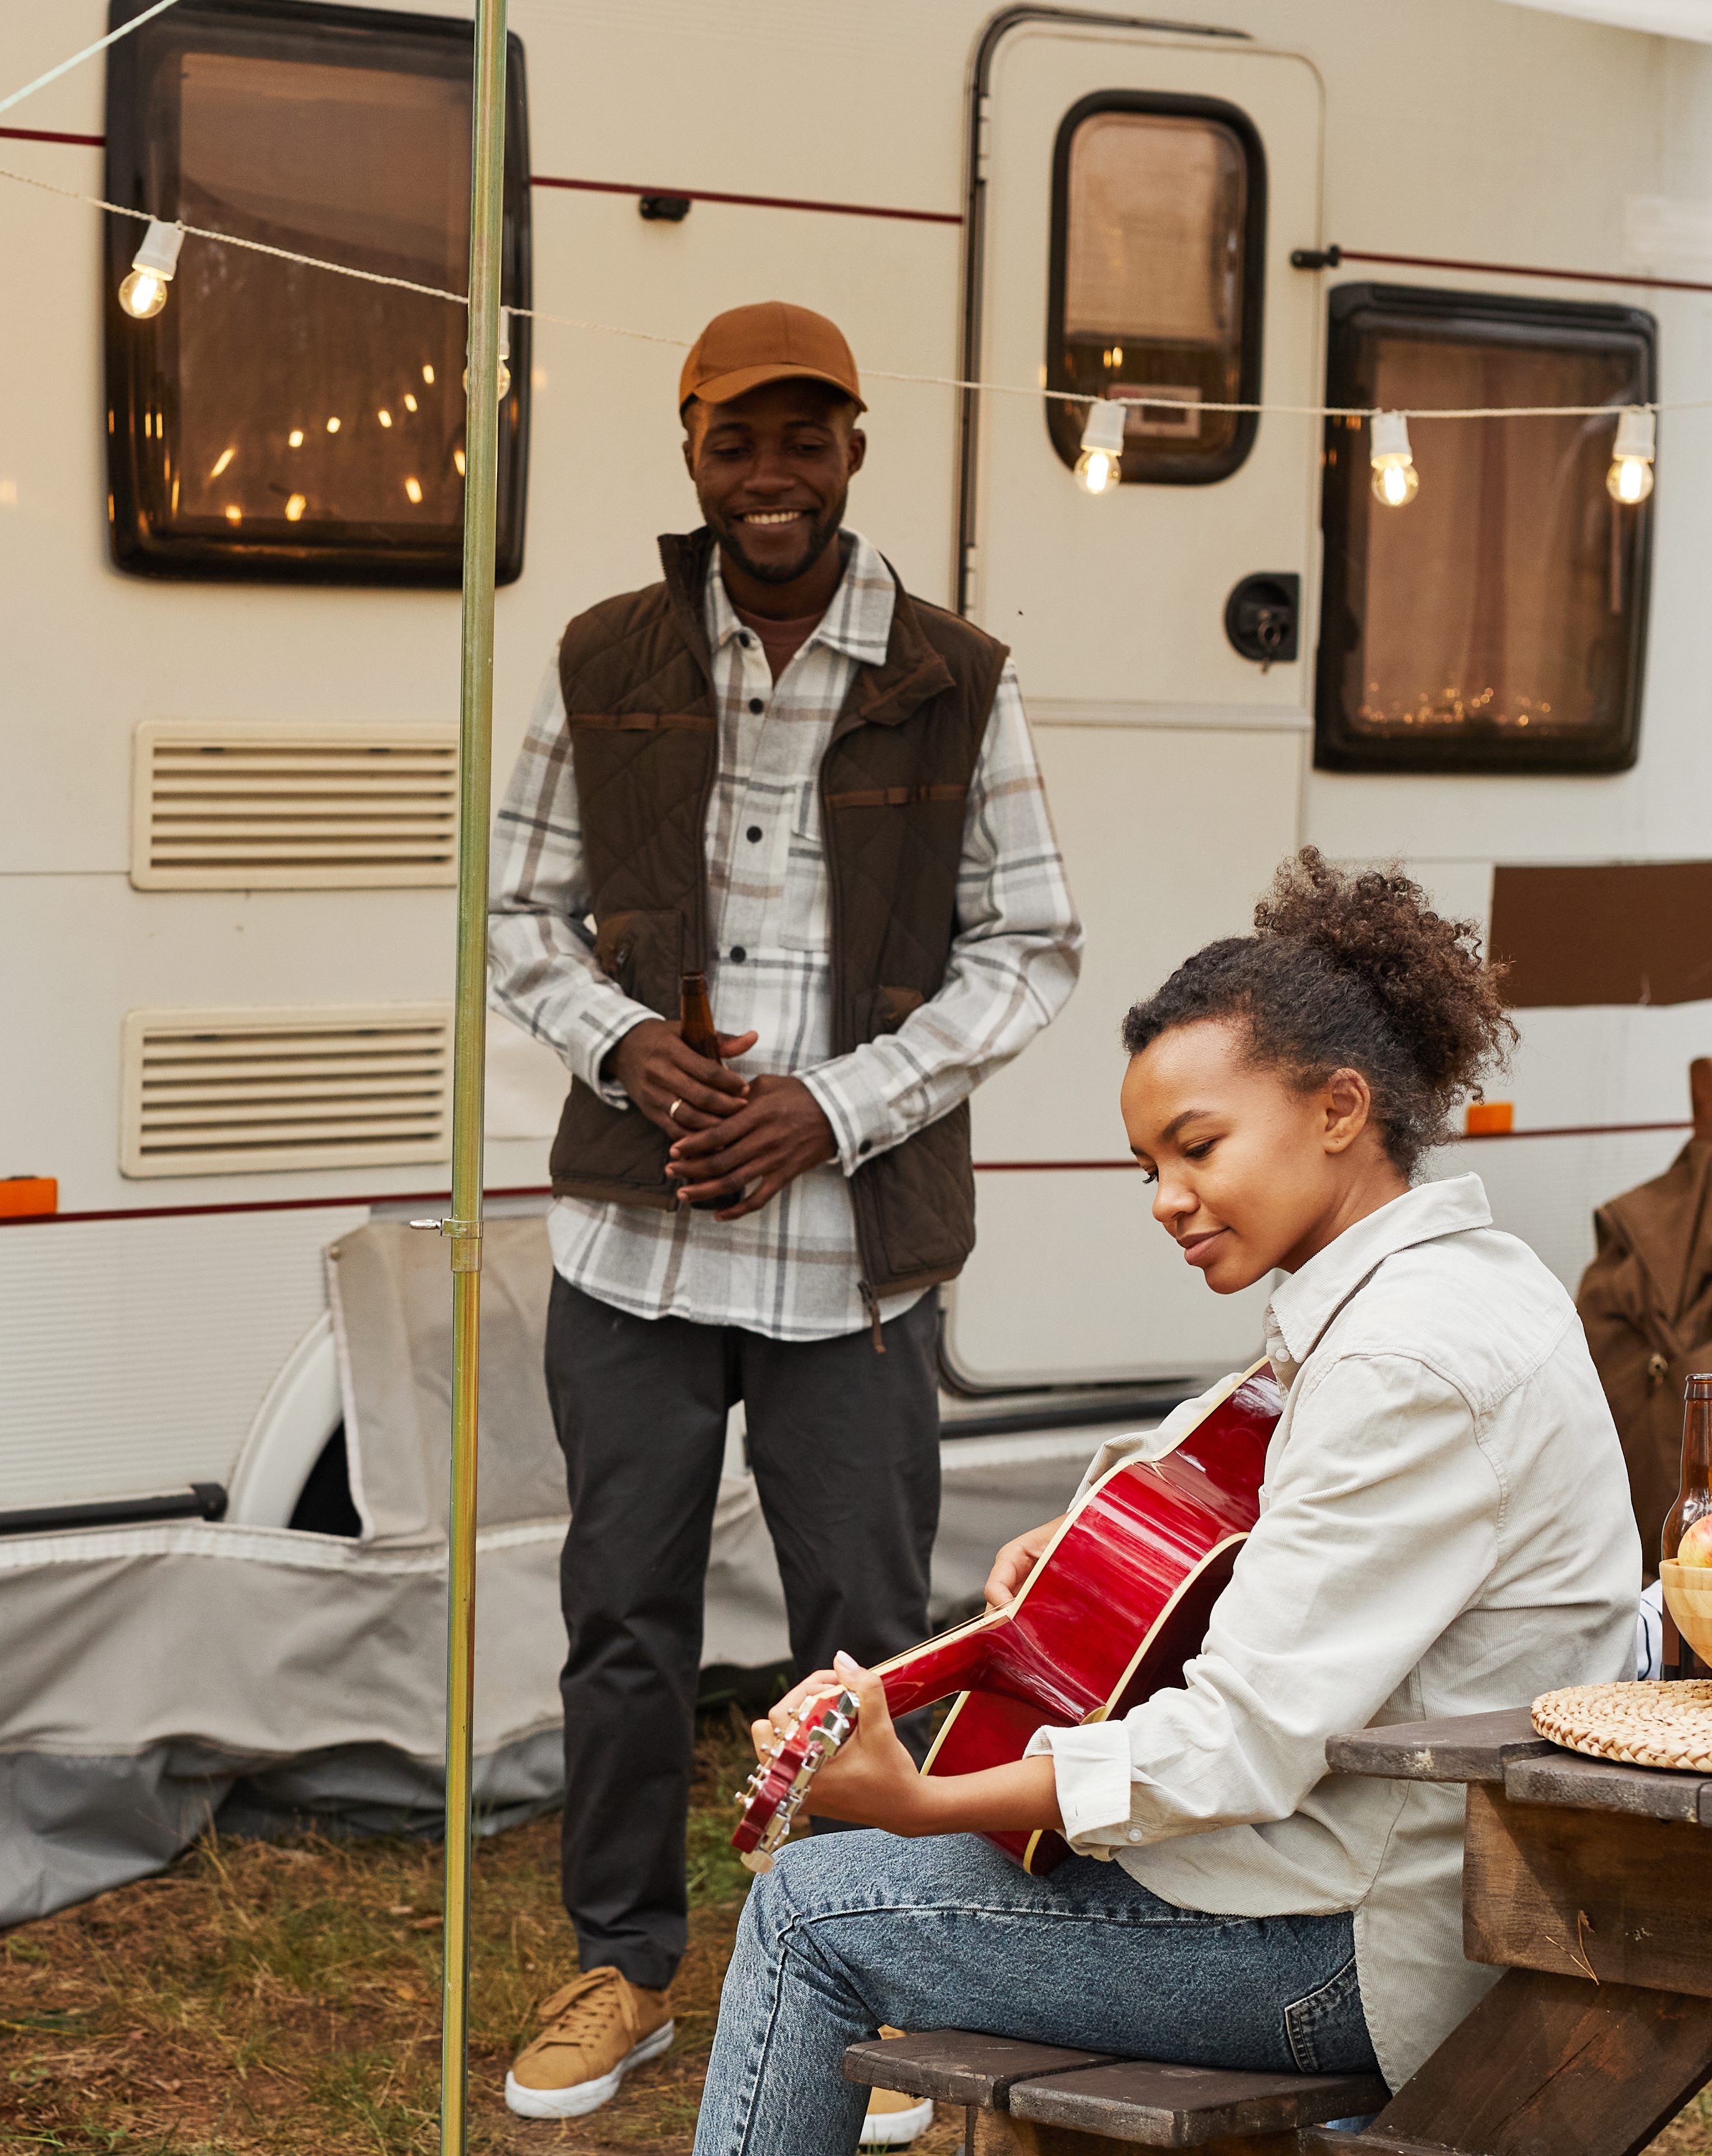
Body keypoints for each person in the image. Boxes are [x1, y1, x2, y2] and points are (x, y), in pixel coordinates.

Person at [687, 854, 1642, 2155]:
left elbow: (1240, 1744)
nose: (1166, 1198)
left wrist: (919, 1802)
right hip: (1386, 1879)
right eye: (1147, 1164)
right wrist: (1087, 1540)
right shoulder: (1453, 1276)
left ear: (1339, 1108)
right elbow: (1242, 1465)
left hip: (1366, 1940)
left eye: (1198, 1147)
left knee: (808, 1907)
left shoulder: (1404, 1354)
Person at [487, 298, 1083, 2124]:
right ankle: (623, 1966)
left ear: (850, 451)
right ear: (688, 451)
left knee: (859, 1625)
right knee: (621, 1621)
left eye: (804, 439)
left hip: (852, 1250)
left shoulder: (952, 673)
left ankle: (868, 1956)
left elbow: (1028, 950)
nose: (771, 474)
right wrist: (622, 1054)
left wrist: (828, 1105)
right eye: (737, 440)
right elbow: (514, 918)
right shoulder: (599, 655)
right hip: (638, 1246)